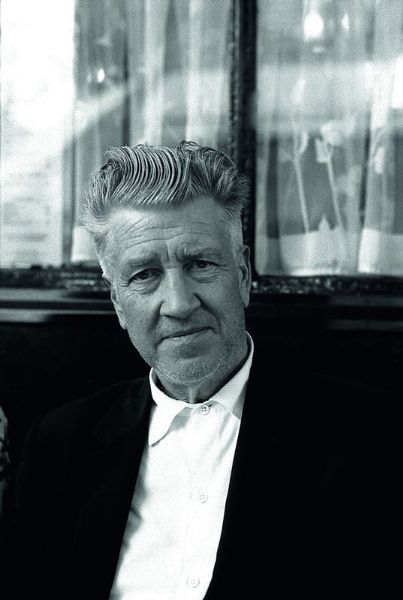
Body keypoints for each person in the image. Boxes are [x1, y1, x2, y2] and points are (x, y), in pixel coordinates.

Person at [4, 142, 397, 599]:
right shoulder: (59, 445)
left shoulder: (371, 435)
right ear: (118, 303)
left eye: (200, 264)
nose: (178, 303)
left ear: (243, 276)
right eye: (144, 275)